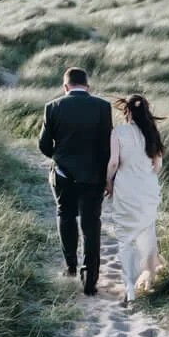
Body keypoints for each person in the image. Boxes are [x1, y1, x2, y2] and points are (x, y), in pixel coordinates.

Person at [37, 66, 113, 295]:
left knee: (65, 215)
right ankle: (90, 279)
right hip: (93, 176)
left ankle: (70, 266)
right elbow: (107, 145)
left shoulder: (52, 107)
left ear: (65, 86)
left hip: (63, 175)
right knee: (91, 224)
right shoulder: (102, 106)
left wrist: (60, 159)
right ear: (88, 87)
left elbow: (43, 145)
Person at [104, 94, 166, 307]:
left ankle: (129, 287)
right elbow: (157, 167)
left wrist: (109, 183)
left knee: (126, 237)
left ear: (127, 112)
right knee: (146, 230)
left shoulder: (118, 132)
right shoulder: (152, 133)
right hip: (148, 187)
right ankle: (148, 277)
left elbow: (113, 163)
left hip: (126, 187)